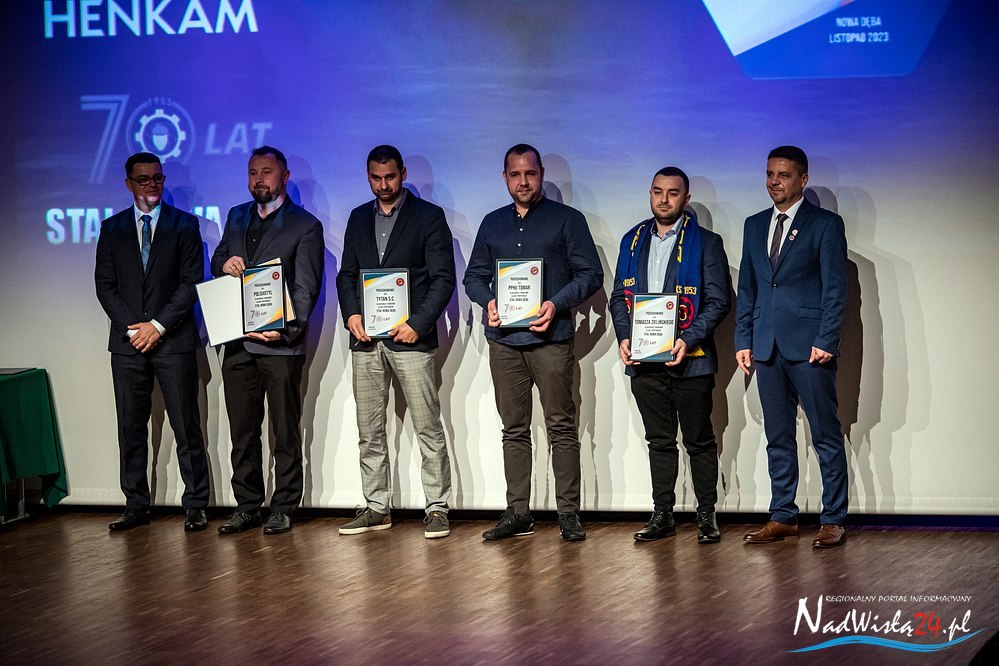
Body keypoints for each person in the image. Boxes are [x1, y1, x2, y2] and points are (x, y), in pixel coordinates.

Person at [463, 144, 603, 541]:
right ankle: (518, 512)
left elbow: (590, 275)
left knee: (561, 426)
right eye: (515, 175)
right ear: (505, 177)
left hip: (551, 339)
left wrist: (555, 303)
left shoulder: (567, 220)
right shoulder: (492, 223)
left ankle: (568, 514)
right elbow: (473, 277)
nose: (523, 181)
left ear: (541, 174)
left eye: (530, 173)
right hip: (504, 342)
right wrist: (489, 301)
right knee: (513, 429)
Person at [335, 145, 456, 539]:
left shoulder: (429, 216)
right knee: (369, 431)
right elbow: (346, 275)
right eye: (376, 178)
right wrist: (352, 315)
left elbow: (443, 279)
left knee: (427, 428)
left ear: (403, 173)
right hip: (366, 341)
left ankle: (437, 508)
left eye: (390, 177)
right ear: (368, 176)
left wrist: (418, 324)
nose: (383, 185)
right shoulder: (358, 217)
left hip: (411, 340)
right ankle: (376, 507)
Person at [735, 145, 849, 548]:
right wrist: (743, 339)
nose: (774, 181)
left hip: (809, 347)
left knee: (825, 436)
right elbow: (747, 286)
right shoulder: (754, 225)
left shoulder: (825, 224)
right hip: (766, 346)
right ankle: (783, 515)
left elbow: (835, 288)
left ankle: (833, 519)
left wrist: (827, 339)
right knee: (778, 437)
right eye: (769, 174)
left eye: (783, 175)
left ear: (803, 179)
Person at [609, 167, 731, 544]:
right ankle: (663, 514)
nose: (664, 200)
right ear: (650, 193)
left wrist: (687, 338)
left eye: (673, 193)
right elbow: (618, 298)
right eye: (657, 191)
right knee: (659, 441)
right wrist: (625, 338)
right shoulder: (632, 239)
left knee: (699, 440)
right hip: (644, 362)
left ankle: (706, 514)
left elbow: (719, 301)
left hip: (692, 360)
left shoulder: (707, 243)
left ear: (686, 199)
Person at [211, 146, 325, 535]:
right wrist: (223, 263)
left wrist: (286, 330)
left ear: (284, 176)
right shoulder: (236, 215)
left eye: (266, 172)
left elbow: (306, 288)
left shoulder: (305, 226)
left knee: (284, 430)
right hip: (238, 342)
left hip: (280, 345)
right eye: (253, 172)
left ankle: (284, 505)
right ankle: (247, 506)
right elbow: (218, 259)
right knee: (242, 432)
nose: (259, 179)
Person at [95, 152, 211, 532]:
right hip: (128, 344)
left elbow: (191, 282)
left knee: (186, 426)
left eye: (157, 178)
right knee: (131, 429)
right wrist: (135, 328)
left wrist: (157, 326)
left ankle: (196, 504)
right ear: (128, 183)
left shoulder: (184, 225)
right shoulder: (112, 228)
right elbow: (105, 286)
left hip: (173, 341)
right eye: (143, 179)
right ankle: (135, 505)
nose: (152, 185)